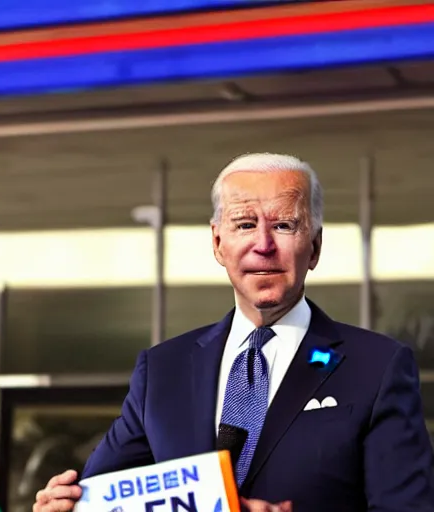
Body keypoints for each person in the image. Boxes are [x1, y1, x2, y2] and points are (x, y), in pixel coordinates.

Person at [33, 153, 434, 512]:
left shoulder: (377, 367)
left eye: (284, 225)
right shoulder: (163, 369)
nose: (263, 244)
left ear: (313, 247)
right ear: (217, 242)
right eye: (244, 224)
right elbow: (103, 497)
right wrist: (66, 506)